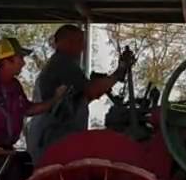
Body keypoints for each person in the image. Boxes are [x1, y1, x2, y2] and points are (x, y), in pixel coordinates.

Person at [23, 25, 134, 161]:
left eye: (82, 42)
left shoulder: (59, 65)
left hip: (46, 140)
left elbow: (81, 98)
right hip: (54, 140)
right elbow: (91, 91)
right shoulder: (62, 63)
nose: (82, 47)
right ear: (63, 42)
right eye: (77, 41)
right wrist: (119, 72)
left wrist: (105, 82)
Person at [0, 37, 68, 158]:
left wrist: (55, 99)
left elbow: (28, 109)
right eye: (20, 58)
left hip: (5, 151)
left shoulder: (15, 85)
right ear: (7, 61)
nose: (23, 63)